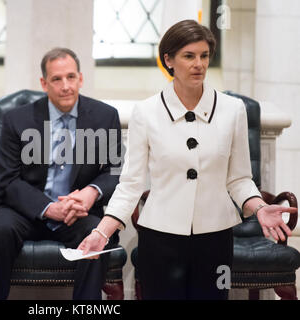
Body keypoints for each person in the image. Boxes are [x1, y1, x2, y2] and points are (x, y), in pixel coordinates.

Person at [76, 20, 297, 300]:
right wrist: (101, 232)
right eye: (189, 56)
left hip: (216, 238)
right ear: (168, 60)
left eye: (204, 56)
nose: (199, 64)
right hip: (160, 238)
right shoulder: (146, 112)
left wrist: (260, 207)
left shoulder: (233, 111)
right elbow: (130, 184)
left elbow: (239, 179)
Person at [0, 47, 122, 300]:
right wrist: (48, 207)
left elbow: (114, 171)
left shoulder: (105, 116)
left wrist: (91, 193)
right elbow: (7, 180)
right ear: (44, 83)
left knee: (96, 234)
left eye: (71, 77)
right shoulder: (17, 119)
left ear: (81, 78)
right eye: (57, 79)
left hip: (77, 212)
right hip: (21, 211)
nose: (65, 86)